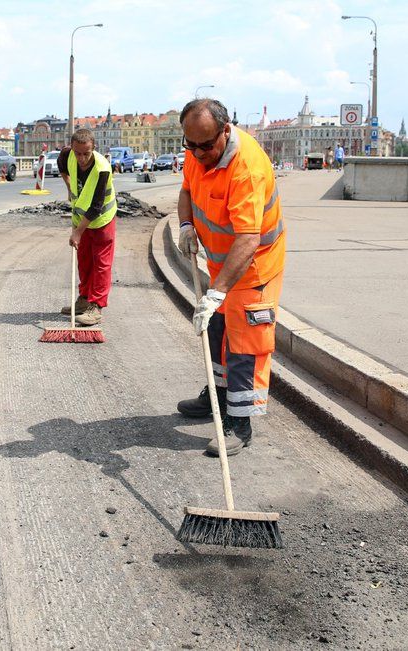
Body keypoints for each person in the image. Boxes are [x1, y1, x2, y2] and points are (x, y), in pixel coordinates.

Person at [175, 98, 287, 456]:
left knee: (244, 346)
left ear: (226, 130)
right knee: (218, 332)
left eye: (206, 146)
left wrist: (216, 293)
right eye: (190, 145)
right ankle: (216, 400)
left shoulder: (247, 168)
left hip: (254, 268)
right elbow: (187, 192)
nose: (197, 153)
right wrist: (186, 224)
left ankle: (239, 425)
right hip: (223, 265)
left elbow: (249, 238)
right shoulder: (197, 151)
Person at [56, 129, 117, 326]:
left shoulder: (103, 168)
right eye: (78, 153)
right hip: (81, 218)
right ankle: (83, 300)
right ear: (72, 148)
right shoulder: (68, 154)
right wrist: (68, 187)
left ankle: (96, 306)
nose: (81, 158)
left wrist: (77, 232)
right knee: (84, 261)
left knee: (101, 263)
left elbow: (96, 207)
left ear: (94, 148)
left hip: (102, 220)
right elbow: (62, 168)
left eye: (86, 153)